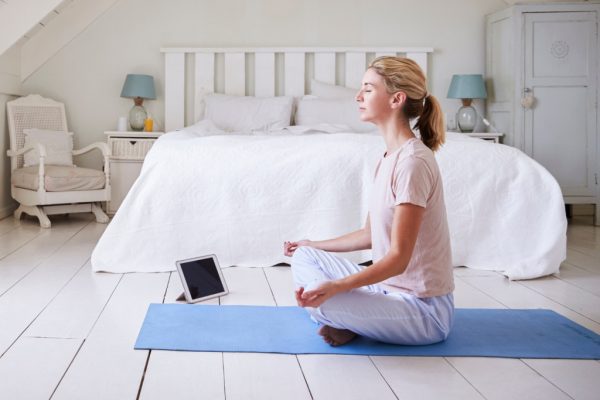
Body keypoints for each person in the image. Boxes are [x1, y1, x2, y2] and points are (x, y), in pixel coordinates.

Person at [283, 57, 454, 347]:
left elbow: (398, 259)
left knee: (320, 303)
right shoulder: (388, 157)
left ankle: (347, 319)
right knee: (304, 257)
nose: (358, 97)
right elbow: (369, 235)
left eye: (368, 89)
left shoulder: (412, 162)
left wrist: (336, 287)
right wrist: (313, 244)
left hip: (423, 311)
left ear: (396, 99)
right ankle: (354, 320)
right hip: (388, 290)